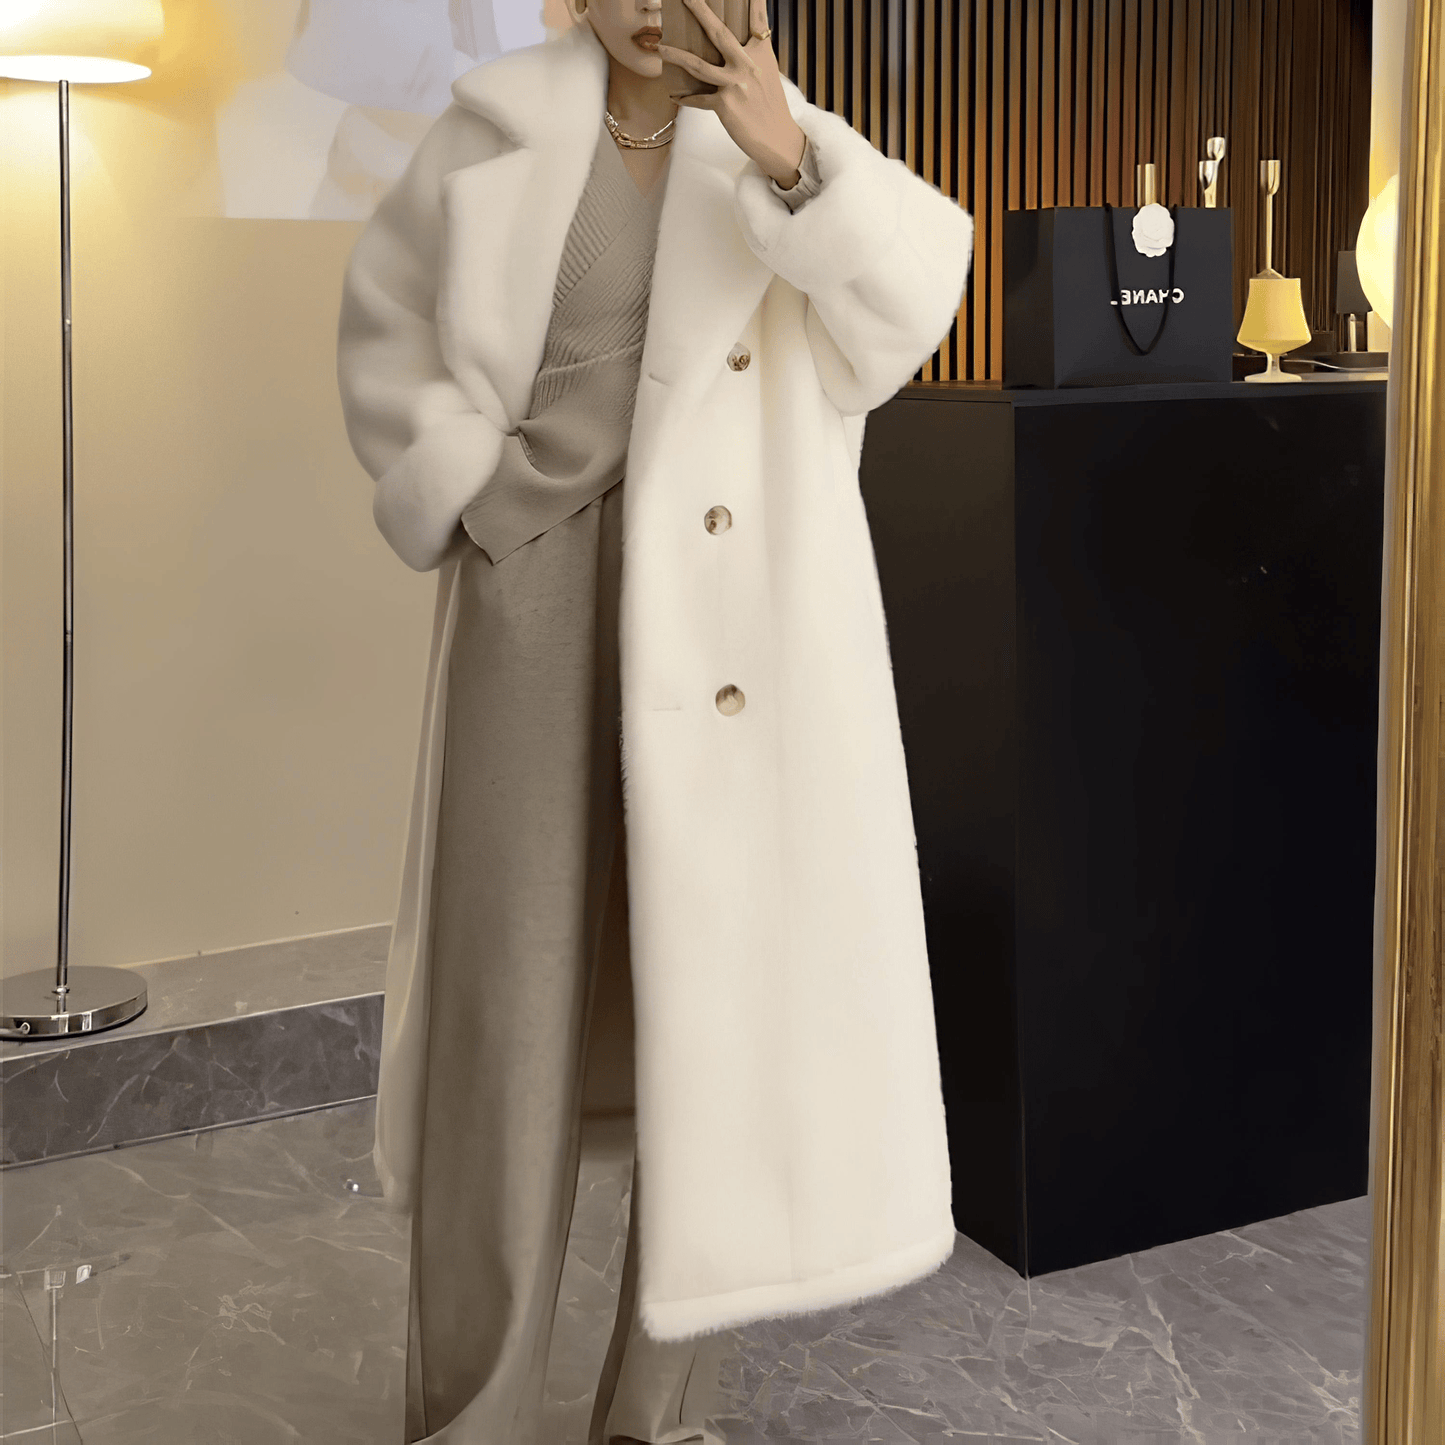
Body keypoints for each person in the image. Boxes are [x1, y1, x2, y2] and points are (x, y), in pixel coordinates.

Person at [335, 0, 975, 1439]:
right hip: (532, 594)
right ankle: (474, 1415)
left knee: (713, 1019)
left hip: (730, 623)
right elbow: (387, 335)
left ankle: (656, 1413)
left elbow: (899, 326)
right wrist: (469, 490)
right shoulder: (495, 127)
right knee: (506, 1020)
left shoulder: (789, 149)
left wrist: (791, 162)